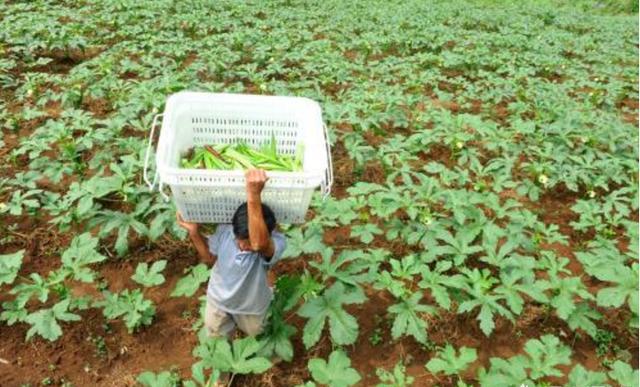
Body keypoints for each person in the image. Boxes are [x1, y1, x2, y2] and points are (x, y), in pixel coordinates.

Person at [176, 169, 287, 341]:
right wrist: (194, 233)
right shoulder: (226, 230)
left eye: (248, 242)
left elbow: (259, 243)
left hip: (252, 306)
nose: (243, 246)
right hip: (219, 301)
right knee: (217, 344)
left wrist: (253, 194)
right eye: (240, 240)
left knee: (260, 341)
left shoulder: (276, 242)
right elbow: (210, 258)